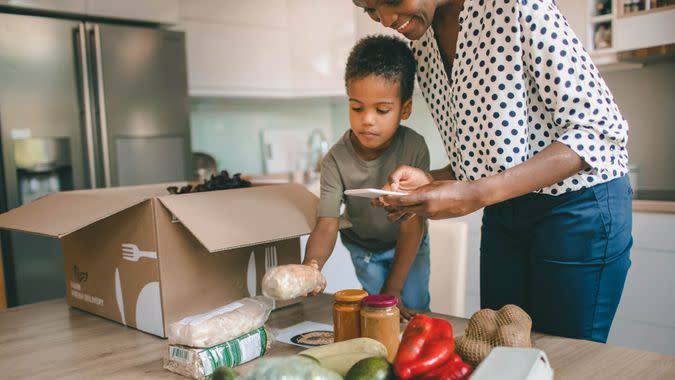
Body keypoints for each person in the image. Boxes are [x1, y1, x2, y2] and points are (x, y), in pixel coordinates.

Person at [353, 0, 632, 343]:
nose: (386, 19)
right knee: (496, 347)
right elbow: (487, 156)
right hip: (505, 212)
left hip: (577, 208)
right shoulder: (422, 41)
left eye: (391, 1)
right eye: (370, 9)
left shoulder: (516, 5)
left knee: (565, 358)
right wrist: (433, 180)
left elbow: (598, 132)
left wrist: (475, 194)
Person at [302, 35, 431, 319]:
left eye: (381, 110)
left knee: (414, 307)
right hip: (364, 249)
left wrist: (395, 288)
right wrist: (311, 268)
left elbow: (412, 227)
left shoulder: (414, 148)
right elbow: (326, 223)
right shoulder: (335, 159)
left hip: (408, 241)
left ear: (404, 109)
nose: (367, 119)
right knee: (378, 312)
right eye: (357, 107)